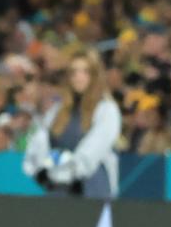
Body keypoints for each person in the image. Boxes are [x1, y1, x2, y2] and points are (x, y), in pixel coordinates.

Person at [21, 47, 122, 196]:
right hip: (57, 188)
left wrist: (64, 167)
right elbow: (39, 145)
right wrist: (43, 169)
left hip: (91, 188)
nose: (78, 77)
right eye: (73, 72)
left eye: (85, 71)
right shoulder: (58, 110)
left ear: (95, 75)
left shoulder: (106, 109)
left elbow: (91, 153)